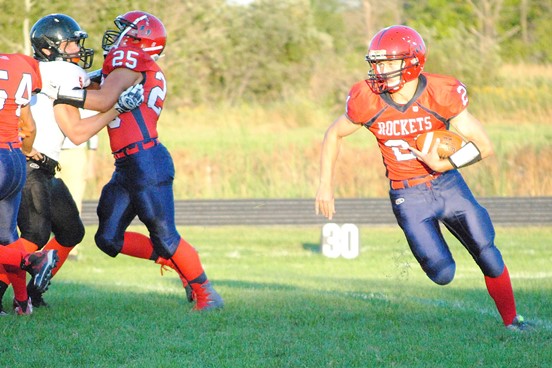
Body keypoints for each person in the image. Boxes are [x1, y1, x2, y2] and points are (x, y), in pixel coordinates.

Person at [315, 25, 529, 331]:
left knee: (488, 252)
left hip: (448, 185)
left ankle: (512, 322)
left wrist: (444, 164)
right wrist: (325, 184)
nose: (378, 70)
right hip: (409, 195)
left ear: (412, 62)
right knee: (443, 273)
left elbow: (485, 146)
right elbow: (334, 134)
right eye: (376, 63)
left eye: (387, 63)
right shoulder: (368, 99)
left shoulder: (440, 93)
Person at [50, 11, 223, 311]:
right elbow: (97, 90)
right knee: (107, 238)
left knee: (165, 235)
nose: (115, 36)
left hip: (147, 161)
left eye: (123, 31)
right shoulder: (131, 65)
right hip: (127, 165)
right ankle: (179, 266)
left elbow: (103, 100)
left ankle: (207, 293)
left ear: (137, 39)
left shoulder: (131, 59)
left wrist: (58, 92)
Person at [0, 14, 144, 311]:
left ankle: (33, 293)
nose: (77, 50)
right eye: (70, 44)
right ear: (49, 47)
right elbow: (82, 128)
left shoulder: (45, 69)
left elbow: (84, 86)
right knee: (33, 237)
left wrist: (100, 80)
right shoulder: (63, 71)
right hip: (30, 164)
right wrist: (119, 104)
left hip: (41, 164)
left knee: (70, 231)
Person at [0, 52, 59, 315]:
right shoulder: (19, 63)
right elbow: (30, 126)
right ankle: (23, 303)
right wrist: (26, 150)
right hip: (14, 159)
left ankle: (31, 259)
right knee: (7, 237)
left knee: (9, 242)